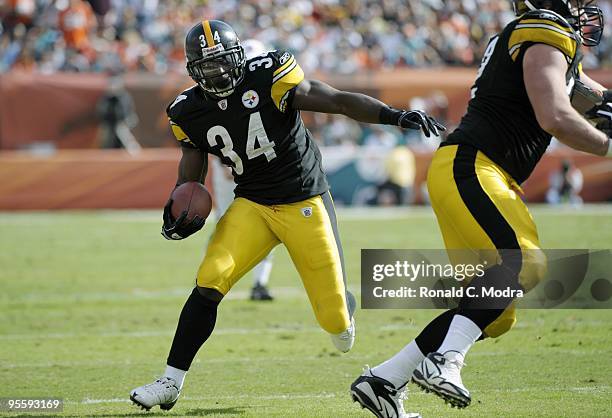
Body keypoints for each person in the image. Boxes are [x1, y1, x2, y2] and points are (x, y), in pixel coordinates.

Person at [129, 19, 444, 412]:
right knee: (210, 278)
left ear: (240, 57)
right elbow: (191, 167)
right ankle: (170, 381)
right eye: (209, 68)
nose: (220, 73)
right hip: (253, 205)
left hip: (304, 201)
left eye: (224, 63)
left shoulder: (270, 76)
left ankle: (345, 310)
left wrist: (393, 116)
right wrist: (181, 201)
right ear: (194, 71)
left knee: (334, 321)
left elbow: (336, 100)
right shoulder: (187, 110)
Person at [351, 1, 610, 417]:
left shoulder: (537, 36)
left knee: (494, 309)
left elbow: (586, 95)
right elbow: (556, 115)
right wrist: (608, 144)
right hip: (474, 164)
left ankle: (384, 379)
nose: (584, 8)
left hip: (472, 169)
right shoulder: (543, 30)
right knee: (524, 262)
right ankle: (444, 361)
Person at [211, 38, 276, 301]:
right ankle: (213, 280)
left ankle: (259, 283)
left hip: (260, 169)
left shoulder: (271, 89)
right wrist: (222, 162)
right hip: (232, 168)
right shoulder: (221, 92)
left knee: (269, 226)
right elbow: (212, 130)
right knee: (225, 227)